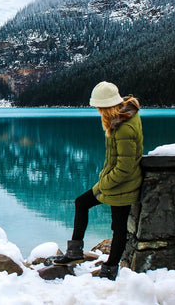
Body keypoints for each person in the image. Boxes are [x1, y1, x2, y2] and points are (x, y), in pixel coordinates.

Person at [54, 81, 143, 281]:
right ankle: (75, 252)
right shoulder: (121, 118)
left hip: (123, 185)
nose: (98, 111)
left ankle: (110, 268)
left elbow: (124, 167)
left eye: (100, 107)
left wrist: (103, 183)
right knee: (82, 203)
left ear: (108, 106)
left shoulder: (124, 128)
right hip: (115, 182)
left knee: (118, 227)